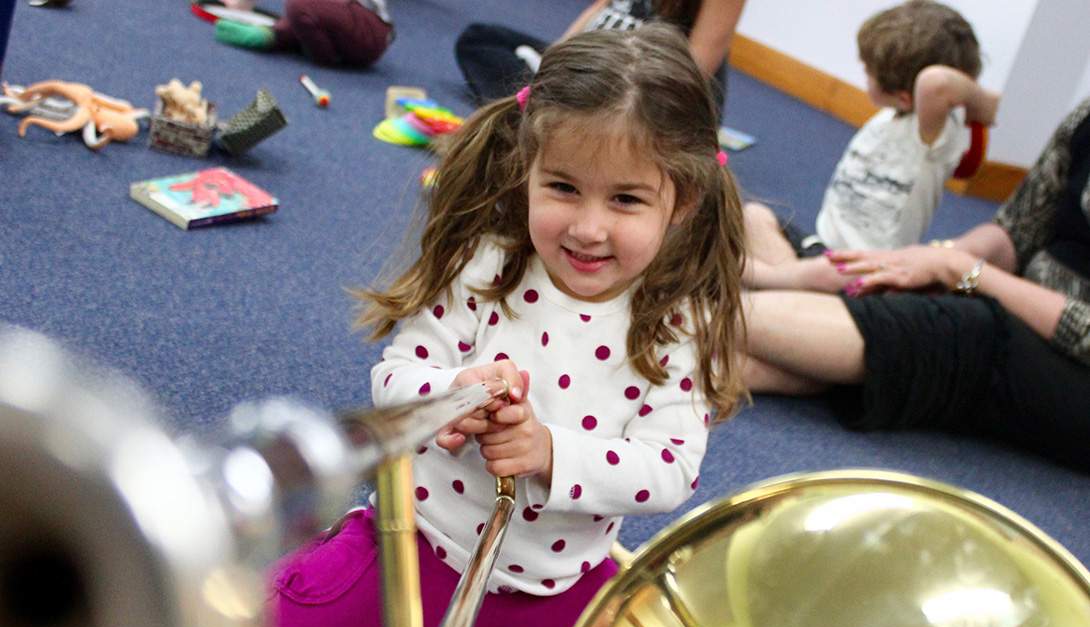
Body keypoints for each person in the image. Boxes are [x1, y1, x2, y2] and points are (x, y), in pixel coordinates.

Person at [271, 22, 748, 627]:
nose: (588, 228)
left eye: (626, 199)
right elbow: (394, 379)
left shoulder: (681, 323)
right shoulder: (488, 264)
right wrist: (449, 393)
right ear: (527, 169)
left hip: (557, 584)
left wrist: (549, 451)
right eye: (563, 187)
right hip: (424, 547)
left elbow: (670, 468)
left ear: (684, 201)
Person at [741, 97, 1090, 472]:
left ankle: (709, 321)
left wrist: (960, 270)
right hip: (1009, 298)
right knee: (762, 221)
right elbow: (1016, 233)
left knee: (969, 330)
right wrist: (924, 261)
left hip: (1064, 354)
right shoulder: (1084, 116)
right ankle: (759, 343)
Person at [743, 0, 999, 291]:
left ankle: (771, 280)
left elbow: (936, 82)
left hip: (866, 269)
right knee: (754, 216)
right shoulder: (892, 114)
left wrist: (982, 105)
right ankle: (795, 286)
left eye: (868, 72)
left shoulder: (931, 134)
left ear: (904, 97)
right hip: (822, 250)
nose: (864, 75)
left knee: (825, 273)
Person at [454, 0, 746, 117]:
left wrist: (631, 91)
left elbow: (695, 67)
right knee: (479, 39)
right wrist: (554, 57)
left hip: (639, 84)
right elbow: (599, 7)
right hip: (586, 57)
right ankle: (547, 104)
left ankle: (543, 107)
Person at [213, 0, 394, 68]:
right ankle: (272, 35)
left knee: (298, 6)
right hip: (347, 31)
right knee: (303, 15)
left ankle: (324, 56)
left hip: (369, 30)